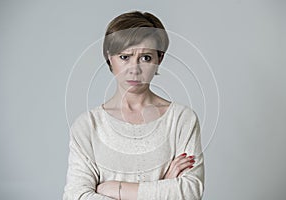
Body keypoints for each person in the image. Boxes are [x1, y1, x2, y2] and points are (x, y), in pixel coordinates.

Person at [63, 11, 204, 200]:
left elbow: (190, 192)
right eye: (124, 57)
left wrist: (115, 188)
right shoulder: (88, 126)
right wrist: (162, 187)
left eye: (145, 57)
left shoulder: (181, 120)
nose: (134, 69)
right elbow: (76, 196)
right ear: (109, 57)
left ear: (159, 59)